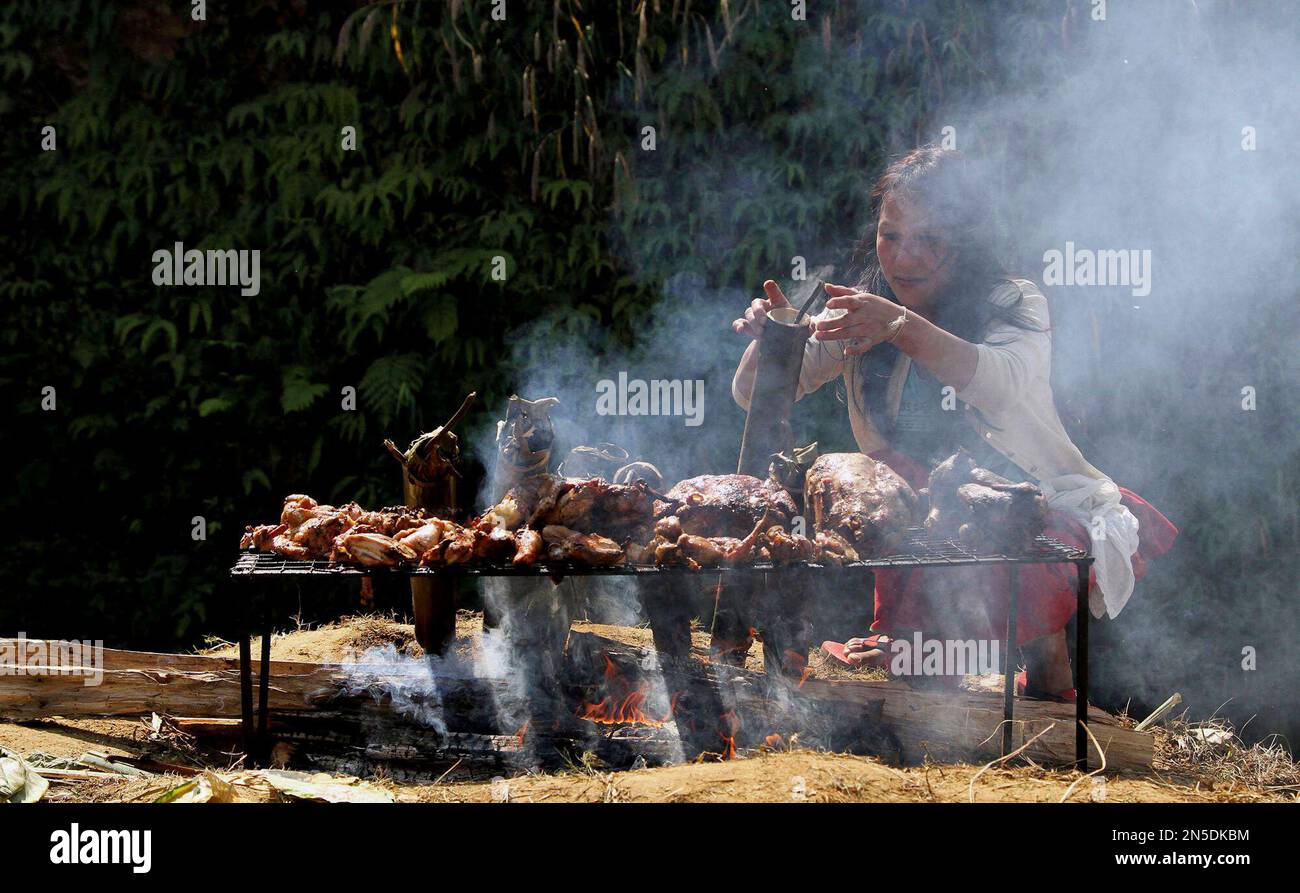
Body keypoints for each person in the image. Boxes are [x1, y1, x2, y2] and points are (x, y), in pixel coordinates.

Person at [730, 145, 1176, 698]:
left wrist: (899, 325)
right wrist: (776, 335)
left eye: (928, 240)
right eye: (890, 236)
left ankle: (1048, 670)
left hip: (1025, 501)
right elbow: (756, 396)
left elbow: (1000, 383)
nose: (904, 257)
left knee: (1014, 537)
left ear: (964, 244)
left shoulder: (1014, 302)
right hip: (913, 514)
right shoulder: (859, 307)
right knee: (924, 687)